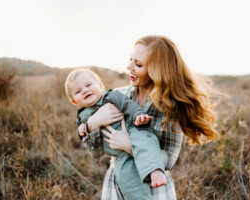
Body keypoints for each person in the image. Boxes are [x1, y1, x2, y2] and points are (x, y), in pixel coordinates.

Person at [81, 35, 219, 199]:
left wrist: (129, 146)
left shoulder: (169, 107)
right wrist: (91, 123)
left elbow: (169, 160)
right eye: (130, 59)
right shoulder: (119, 95)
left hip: (152, 187)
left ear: (156, 71)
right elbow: (95, 152)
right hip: (116, 182)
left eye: (138, 64)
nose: (128, 67)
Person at [64, 69, 168, 200]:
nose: (84, 90)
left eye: (88, 85)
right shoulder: (81, 118)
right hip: (119, 156)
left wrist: (138, 115)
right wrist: (86, 128)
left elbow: (127, 104)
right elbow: (93, 149)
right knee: (127, 181)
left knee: (145, 140)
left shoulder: (111, 96)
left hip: (132, 130)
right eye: (78, 91)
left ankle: (155, 171)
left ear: (100, 85)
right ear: (74, 101)